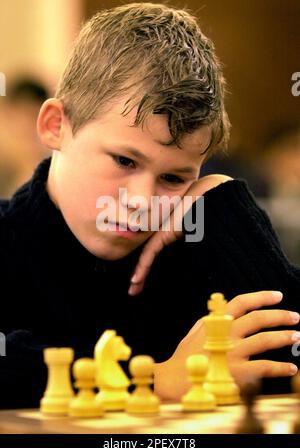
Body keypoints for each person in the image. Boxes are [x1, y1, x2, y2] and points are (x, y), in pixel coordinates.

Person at [0, 3, 300, 409]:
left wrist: (224, 204)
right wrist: (154, 379)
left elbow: (290, 355)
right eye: (124, 161)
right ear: (56, 125)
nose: (142, 202)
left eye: (174, 178)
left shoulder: (194, 250)